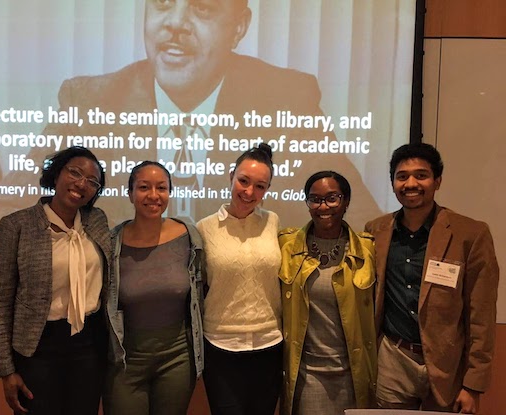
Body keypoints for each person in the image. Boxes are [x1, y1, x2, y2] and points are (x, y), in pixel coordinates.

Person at [0, 0, 381, 234]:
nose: (176, 25)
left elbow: (362, 218)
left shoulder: (289, 98)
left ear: (239, 26)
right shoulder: (90, 99)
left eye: (201, 9)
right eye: (163, 5)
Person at [365, 143, 499, 413]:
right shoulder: (375, 231)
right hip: (393, 358)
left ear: (437, 181)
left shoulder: (470, 234)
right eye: (402, 176)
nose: (411, 183)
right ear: (393, 183)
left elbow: (481, 316)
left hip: (447, 366)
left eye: (421, 175)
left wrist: (473, 385)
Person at [0, 146, 110, 415]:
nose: (82, 184)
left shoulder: (97, 221)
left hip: (89, 344)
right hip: (38, 346)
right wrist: (6, 370)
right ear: (56, 174)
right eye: (75, 173)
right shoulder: (17, 225)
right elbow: (0, 300)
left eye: (92, 182)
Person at [103, 161, 204, 415]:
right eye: (144, 187)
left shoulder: (189, 236)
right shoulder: (112, 242)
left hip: (177, 358)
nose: (153, 195)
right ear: (130, 193)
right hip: (126, 359)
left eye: (162, 188)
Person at [278, 170, 377, 415]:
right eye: (315, 199)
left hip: (353, 374)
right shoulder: (286, 247)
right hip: (307, 374)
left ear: (346, 202)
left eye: (332, 198)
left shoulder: (367, 249)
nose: (323, 206)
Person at [196, 143, 282, 415]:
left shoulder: (273, 222)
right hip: (221, 346)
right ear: (230, 176)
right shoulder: (204, 228)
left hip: (269, 343)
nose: (249, 192)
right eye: (243, 181)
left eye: (260, 186)